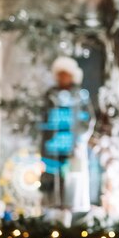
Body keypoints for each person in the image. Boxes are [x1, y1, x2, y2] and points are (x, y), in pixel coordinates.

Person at [39, 56, 96, 225]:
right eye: (60, 74)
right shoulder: (50, 95)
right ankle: (54, 217)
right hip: (54, 148)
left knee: (73, 183)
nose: (63, 78)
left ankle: (73, 220)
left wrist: (79, 139)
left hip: (73, 148)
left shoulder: (80, 96)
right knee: (54, 182)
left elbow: (87, 119)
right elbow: (44, 119)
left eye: (66, 74)